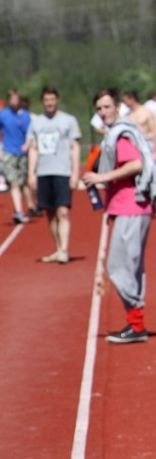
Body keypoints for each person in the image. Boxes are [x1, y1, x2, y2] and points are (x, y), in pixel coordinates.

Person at [83, 89, 153, 343]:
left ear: (118, 107)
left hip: (132, 207)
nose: (103, 113)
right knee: (128, 266)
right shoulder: (120, 131)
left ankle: (136, 326)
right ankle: (136, 323)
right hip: (128, 207)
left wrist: (101, 177)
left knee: (119, 266)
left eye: (107, 107)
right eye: (99, 109)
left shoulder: (121, 133)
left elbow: (135, 164)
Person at [26, 86, 81, 264]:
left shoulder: (69, 120)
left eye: (52, 99)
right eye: (46, 100)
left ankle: (64, 249)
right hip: (43, 171)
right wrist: (31, 173)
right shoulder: (36, 123)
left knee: (63, 211)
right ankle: (58, 248)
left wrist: (75, 173)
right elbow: (33, 149)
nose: (49, 103)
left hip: (62, 171)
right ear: (43, 102)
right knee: (50, 213)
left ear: (57, 100)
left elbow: (75, 147)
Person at [0, 89, 33, 224]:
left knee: (23, 182)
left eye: (16, 99)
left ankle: (28, 205)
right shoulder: (2, 115)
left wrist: (27, 144)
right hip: (8, 152)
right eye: (12, 99)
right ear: (9, 100)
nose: (14, 102)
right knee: (14, 183)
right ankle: (18, 211)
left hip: (22, 153)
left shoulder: (25, 116)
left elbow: (30, 132)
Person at [121, 90, 156, 156]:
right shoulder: (127, 116)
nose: (124, 103)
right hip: (133, 147)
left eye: (125, 100)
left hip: (147, 144)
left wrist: (155, 150)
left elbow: (154, 131)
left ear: (131, 99)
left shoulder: (146, 112)